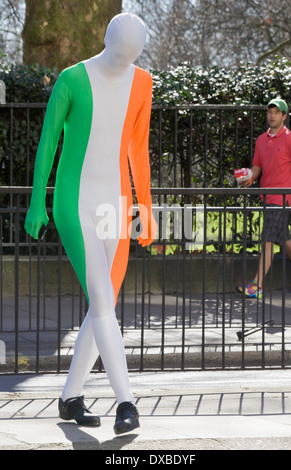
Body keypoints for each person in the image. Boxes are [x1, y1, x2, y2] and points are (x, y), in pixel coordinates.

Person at [24, 12, 157, 434]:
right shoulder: (71, 79)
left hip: (115, 201)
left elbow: (138, 149)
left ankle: (70, 397)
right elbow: (47, 143)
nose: (125, 62)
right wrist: (35, 203)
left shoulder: (143, 83)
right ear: (106, 40)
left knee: (103, 305)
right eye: (121, 53)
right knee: (101, 298)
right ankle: (127, 403)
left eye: (132, 56)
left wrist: (145, 207)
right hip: (74, 200)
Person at [237, 98, 291, 298]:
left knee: (267, 241)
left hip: (282, 199)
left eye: (276, 112)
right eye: (269, 112)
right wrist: (249, 178)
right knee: (284, 240)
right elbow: (257, 167)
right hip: (267, 198)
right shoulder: (261, 140)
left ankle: (257, 285)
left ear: (284, 116)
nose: (271, 115)